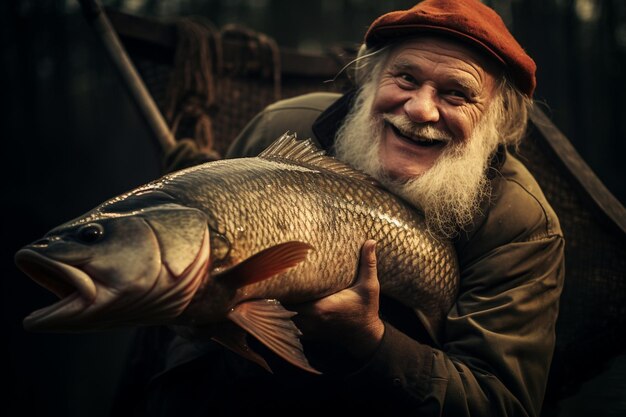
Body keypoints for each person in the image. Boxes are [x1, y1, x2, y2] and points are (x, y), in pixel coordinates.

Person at [116, 1, 564, 416]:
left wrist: (369, 338)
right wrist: (198, 318)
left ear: (497, 119)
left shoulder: (523, 224)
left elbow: (500, 402)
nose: (421, 108)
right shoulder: (278, 127)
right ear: (370, 77)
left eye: (455, 95)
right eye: (405, 78)